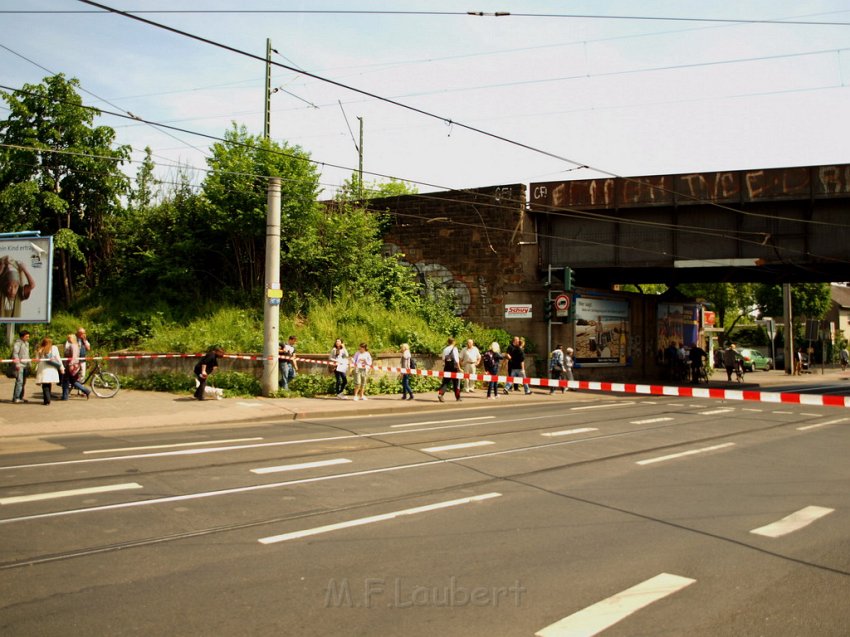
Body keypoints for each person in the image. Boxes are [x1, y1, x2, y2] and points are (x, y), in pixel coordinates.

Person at [34, 336, 64, 405]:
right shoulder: (54, 348)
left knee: (45, 385)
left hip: (43, 369)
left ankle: (47, 400)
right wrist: (61, 367)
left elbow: (37, 360)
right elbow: (58, 358)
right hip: (51, 369)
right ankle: (48, 399)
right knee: (49, 384)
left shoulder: (40, 349)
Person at [61, 333, 91, 400]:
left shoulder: (73, 346)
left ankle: (65, 397)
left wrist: (70, 365)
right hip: (73, 365)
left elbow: (74, 356)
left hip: (70, 366)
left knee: (65, 381)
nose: (68, 339)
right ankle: (86, 391)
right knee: (73, 381)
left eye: (69, 338)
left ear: (72, 339)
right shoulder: (75, 345)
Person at [437, 337, 461, 402]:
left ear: (448, 342)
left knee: (445, 382)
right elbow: (456, 359)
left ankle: (440, 394)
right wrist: (459, 368)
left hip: (447, 367)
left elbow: (443, 359)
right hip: (454, 368)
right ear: (454, 342)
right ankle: (458, 397)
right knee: (456, 382)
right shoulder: (455, 349)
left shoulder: (445, 349)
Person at [12, 329, 31, 403]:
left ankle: (21, 396)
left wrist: (29, 364)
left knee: (23, 382)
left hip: (26, 364)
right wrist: (17, 364)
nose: (28, 338)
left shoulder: (27, 343)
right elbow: (15, 353)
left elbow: (27, 354)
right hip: (20, 365)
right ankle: (16, 397)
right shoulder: (18, 343)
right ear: (22, 337)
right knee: (19, 381)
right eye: (27, 336)